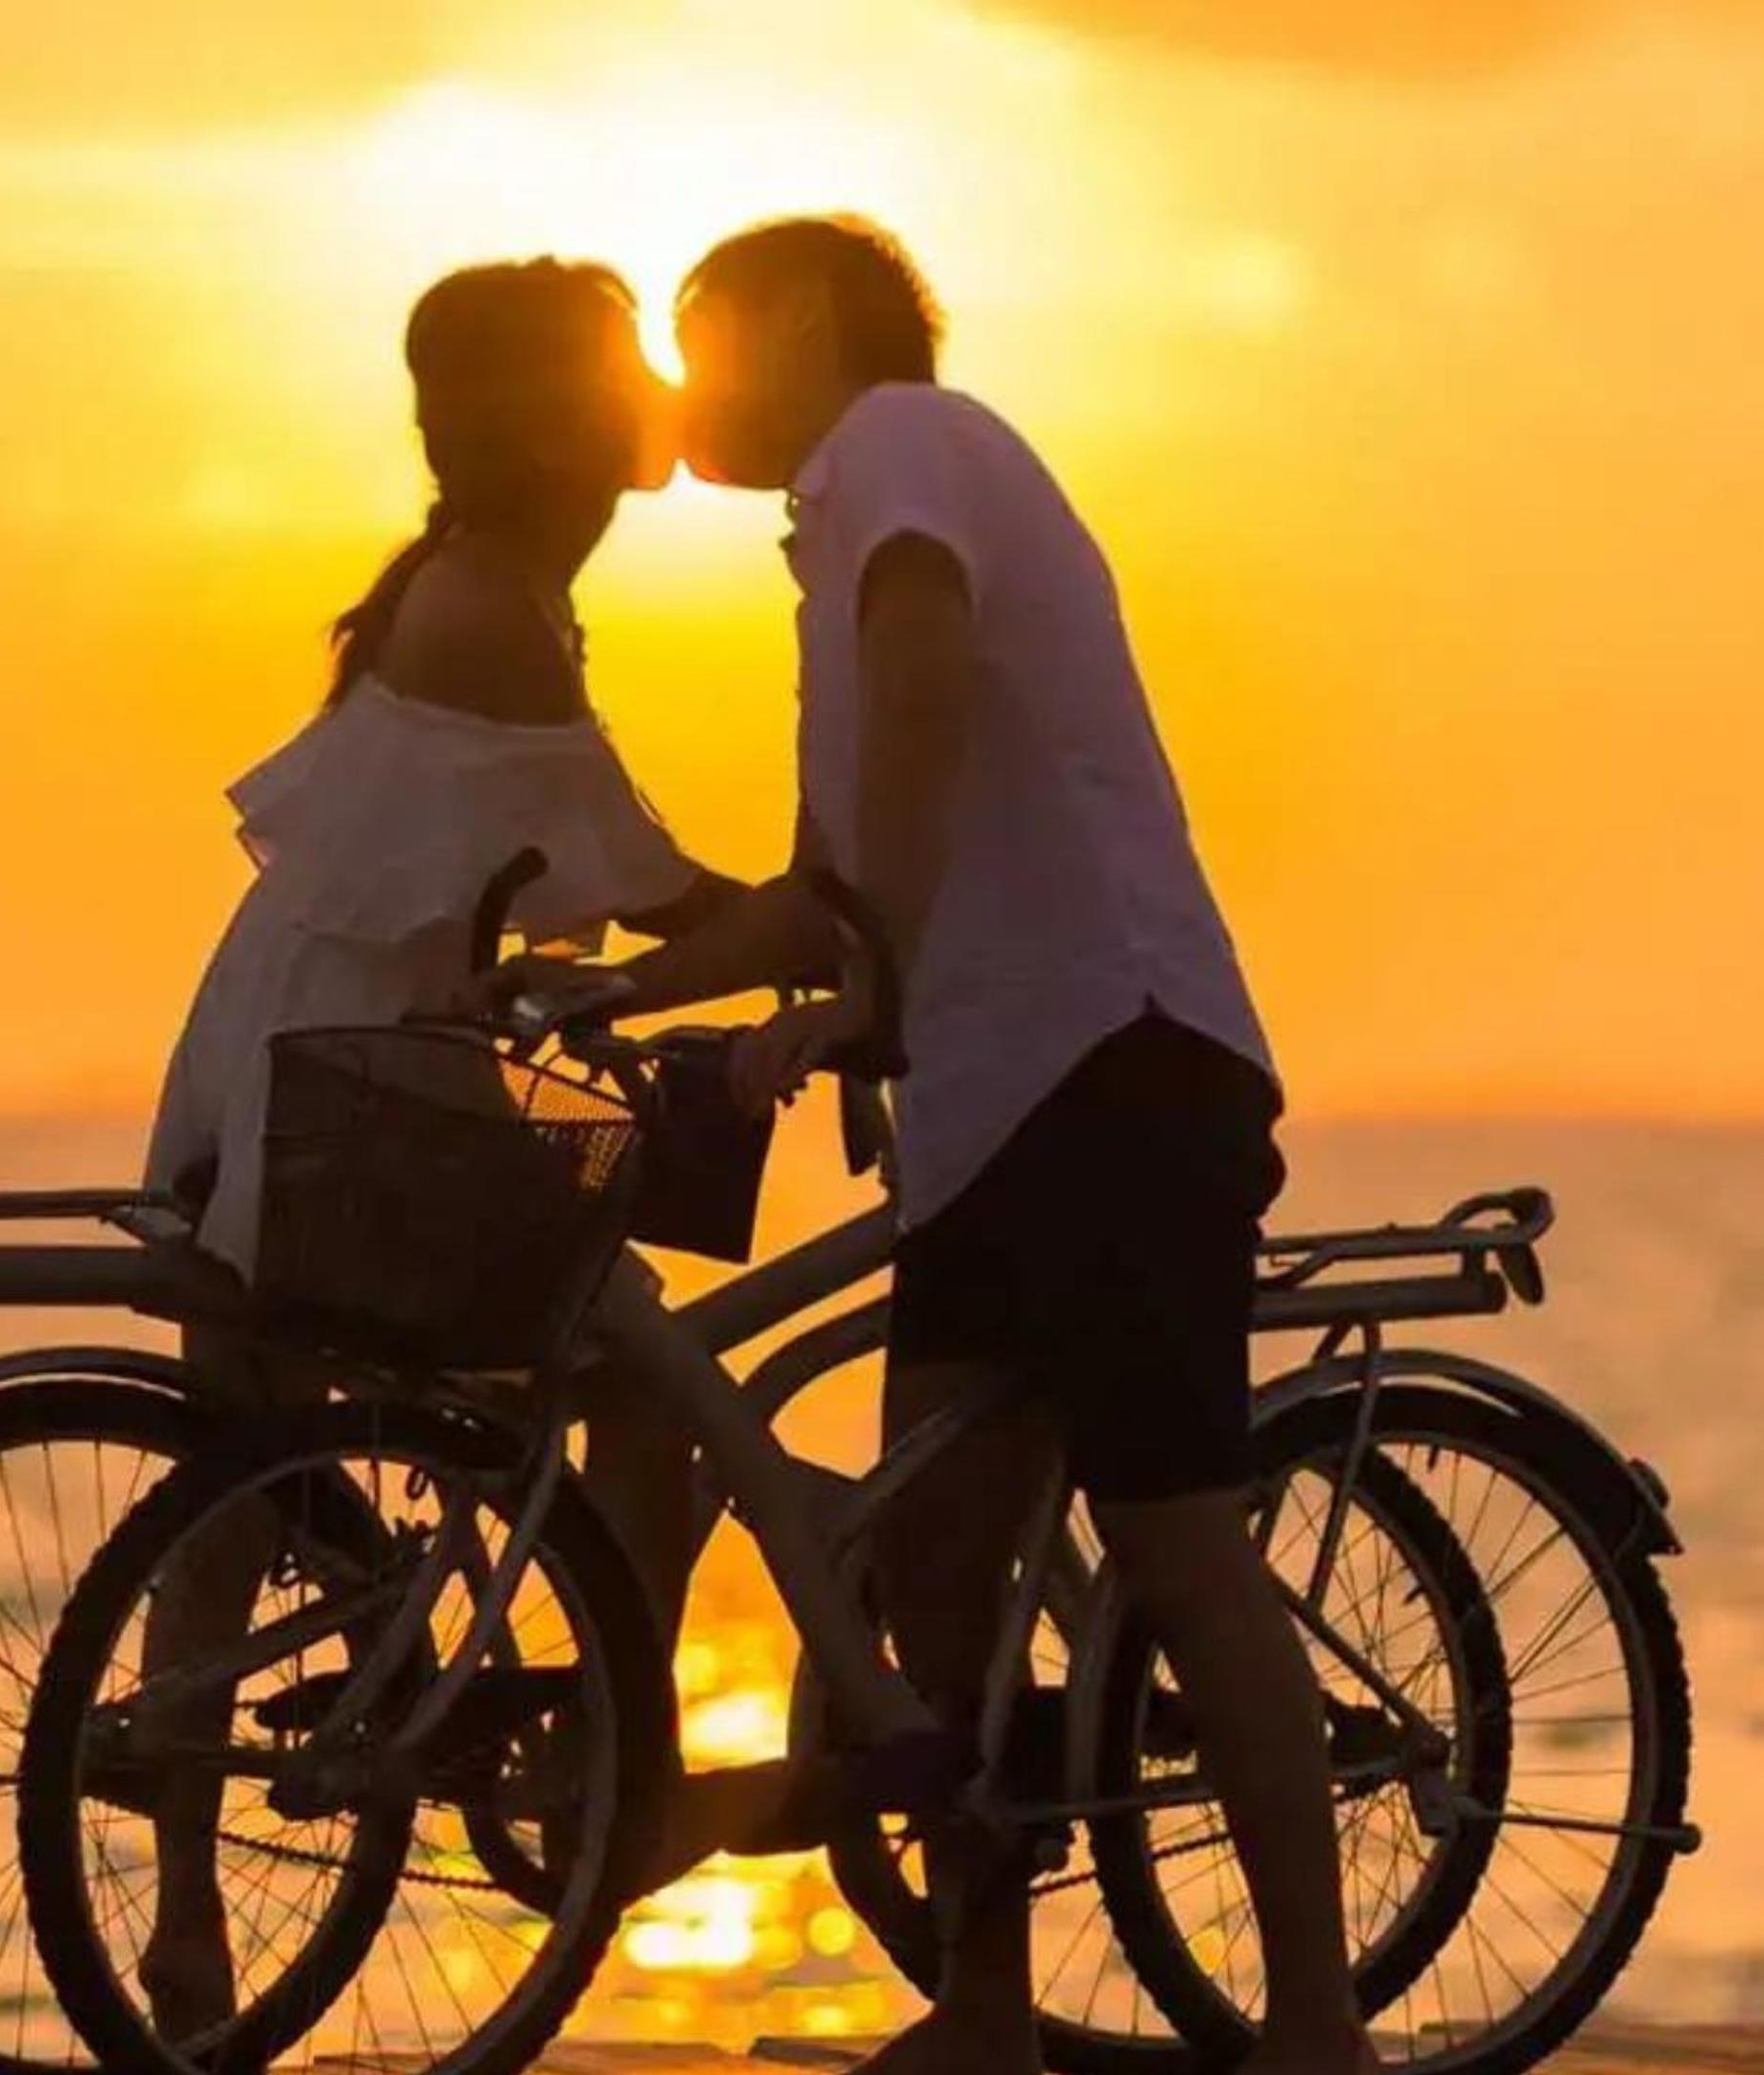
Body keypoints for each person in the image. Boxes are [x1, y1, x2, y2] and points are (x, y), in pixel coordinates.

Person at [504, 215, 1376, 2075]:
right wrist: (599, 1009)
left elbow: (920, 709)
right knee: (942, 1577)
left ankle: (1318, 2032)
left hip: (1120, 1061)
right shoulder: (838, 545)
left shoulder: (906, 445)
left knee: (1172, 1539)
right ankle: (986, 2017)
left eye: (699, 334)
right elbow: (824, 887)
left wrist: (868, 968)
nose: (678, 386)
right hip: (996, 1109)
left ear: (800, 317)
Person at [129, 256, 740, 2037]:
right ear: (558, 414)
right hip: (359, 1097)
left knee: (238, 1469)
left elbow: (527, 883)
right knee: (652, 1405)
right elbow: (641, 872)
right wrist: (843, 931)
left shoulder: (474, 588)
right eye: (629, 364)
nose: (660, 389)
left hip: (299, 1065)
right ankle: (607, 1760)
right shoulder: (494, 613)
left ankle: (184, 1928)